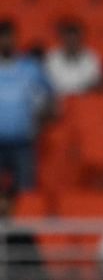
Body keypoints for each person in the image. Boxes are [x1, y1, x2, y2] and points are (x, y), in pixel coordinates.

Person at [0, 21, 53, 191]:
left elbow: (50, 96)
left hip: (23, 143)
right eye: (3, 37)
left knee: (26, 196)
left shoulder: (31, 68)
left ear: (16, 39)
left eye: (10, 36)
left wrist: (41, 120)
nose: (6, 41)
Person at [44, 19, 102, 97]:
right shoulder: (51, 58)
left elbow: (94, 84)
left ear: (81, 39)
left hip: (84, 101)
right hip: (58, 102)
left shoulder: (91, 58)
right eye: (69, 39)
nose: (72, 43)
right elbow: (47, 85)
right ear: (62, 39)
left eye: (75, 39)